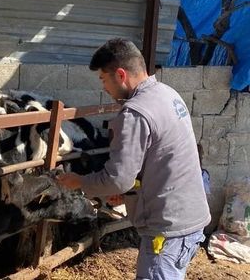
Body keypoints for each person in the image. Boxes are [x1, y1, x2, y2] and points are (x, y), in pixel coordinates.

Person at [56, 38, 210, 280]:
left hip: (166, 233)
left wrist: (80, 182)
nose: (104, 87)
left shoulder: (135, 113)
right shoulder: (167, 94)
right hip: (189, 220)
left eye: (103, 79)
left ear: (120, 74)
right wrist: (130, 191)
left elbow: (117, 180)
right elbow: (158, 160)